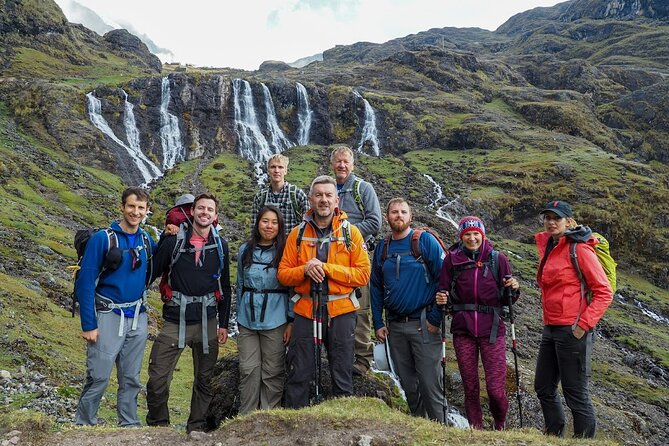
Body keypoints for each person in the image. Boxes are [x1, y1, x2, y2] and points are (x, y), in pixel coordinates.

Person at [277, 175, 371, 408]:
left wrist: (326, 268)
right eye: (318, 195)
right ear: (310, 200)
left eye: (328, 195)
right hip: (306, 311)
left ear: (337, 200)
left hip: (341, 311)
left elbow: (363, 275)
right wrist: (305, 270)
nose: (323, 200)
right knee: (299, 372)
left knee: (342, 371)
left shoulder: (352, 234)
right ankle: (295, 422)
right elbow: (283, 274)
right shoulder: (297, 234)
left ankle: (341, 425)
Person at [146, 193, 232, 433]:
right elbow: (150, 272)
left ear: (216, 216)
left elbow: (225, 287)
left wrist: (223, 323)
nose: (205, 213)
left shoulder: (220, 245)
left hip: (207, 321)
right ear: (192, 211)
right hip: (175, 320)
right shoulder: (173, 242)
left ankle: (196, 428)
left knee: (205, 381)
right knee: (158, 379)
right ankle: (159, 426)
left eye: (210, 210)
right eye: (201, 208)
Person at [74, 187, 156, 427]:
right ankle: (84, 424)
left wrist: (172, 232)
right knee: (98, 375)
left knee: (131, 377)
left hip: (137, 316)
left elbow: (158, 263)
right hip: (108, 314)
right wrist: (89, 324)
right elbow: (86, 282)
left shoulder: (146, 240)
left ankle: (129, 424)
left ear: (147, 211)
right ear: (122, 207)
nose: (135, 212)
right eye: (131, 206)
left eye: (141, 208)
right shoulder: (103, 238)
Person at [534, 200, 613, 438]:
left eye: (556, 218)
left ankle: (584, 441)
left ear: (569, 222)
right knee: (544, 387)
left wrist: (582, 325)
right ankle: (554, 435)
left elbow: (604, 291)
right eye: (547, 217)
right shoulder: (550, 246)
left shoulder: (579, 249)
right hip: (551, 327)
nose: (550, 222)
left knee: (575, 392)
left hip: (572, 329)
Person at [436, 216, 519, 430]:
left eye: (476, 234)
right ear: (461, 236)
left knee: (495, 389)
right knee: (470, 386)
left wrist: (514, 287)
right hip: (463, 330)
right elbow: (443, 290)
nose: (472, 238)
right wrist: (442, 299)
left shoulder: (498, 259)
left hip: (492, 330)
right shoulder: (451, 260)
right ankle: (476, 429)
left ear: (482, 235)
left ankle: (499, 424)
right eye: (467, 234)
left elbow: (508, 295)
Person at [370, 198, 445, 422]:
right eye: (394, 212)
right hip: (394, 327)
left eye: (403, 212)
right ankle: (420, 427)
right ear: (387, 217)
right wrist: (378, 322)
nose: (398, 215)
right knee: (408, 384)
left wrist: (435, 318)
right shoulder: (382, 248)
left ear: (410, 216)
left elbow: (445, 279)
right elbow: (375, 286)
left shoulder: (425, 241)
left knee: (430, 384)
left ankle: (442, 432)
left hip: (424, 324)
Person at [330, 145, 381, 375]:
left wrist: (345, 232)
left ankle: (363, 360)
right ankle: (338, 356)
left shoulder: (363, 188)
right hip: (331, 260)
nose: (342, 165)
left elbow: (375, 222)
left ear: (352, 165)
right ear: (332, 165)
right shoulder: (327, 189)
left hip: (357, 259)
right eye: (338, 161)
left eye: (346, 162)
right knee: (333, 307)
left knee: (360, 309)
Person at [236, 205, 292, 414]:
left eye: (274, 222)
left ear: (280, 226)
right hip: (247, 320)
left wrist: (291, 321)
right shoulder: (245, 250)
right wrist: (238, 317)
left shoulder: (286, 251)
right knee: (248, 369)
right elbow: (240, 283)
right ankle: (246, 417)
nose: (269, 226)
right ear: (258, 223)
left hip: (276, 319)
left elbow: (293, 288)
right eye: (265, 221)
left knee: (273, 371)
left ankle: (268, 418)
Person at [251, 154, 309, 234]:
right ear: (268, 171)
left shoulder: (297, 195)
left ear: (286, 171)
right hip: (269, 244)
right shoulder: (260, 197)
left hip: (292, 243)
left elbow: (308, 225)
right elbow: (254, 227)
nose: (276, 171)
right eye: (273, 167)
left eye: (280, 167)